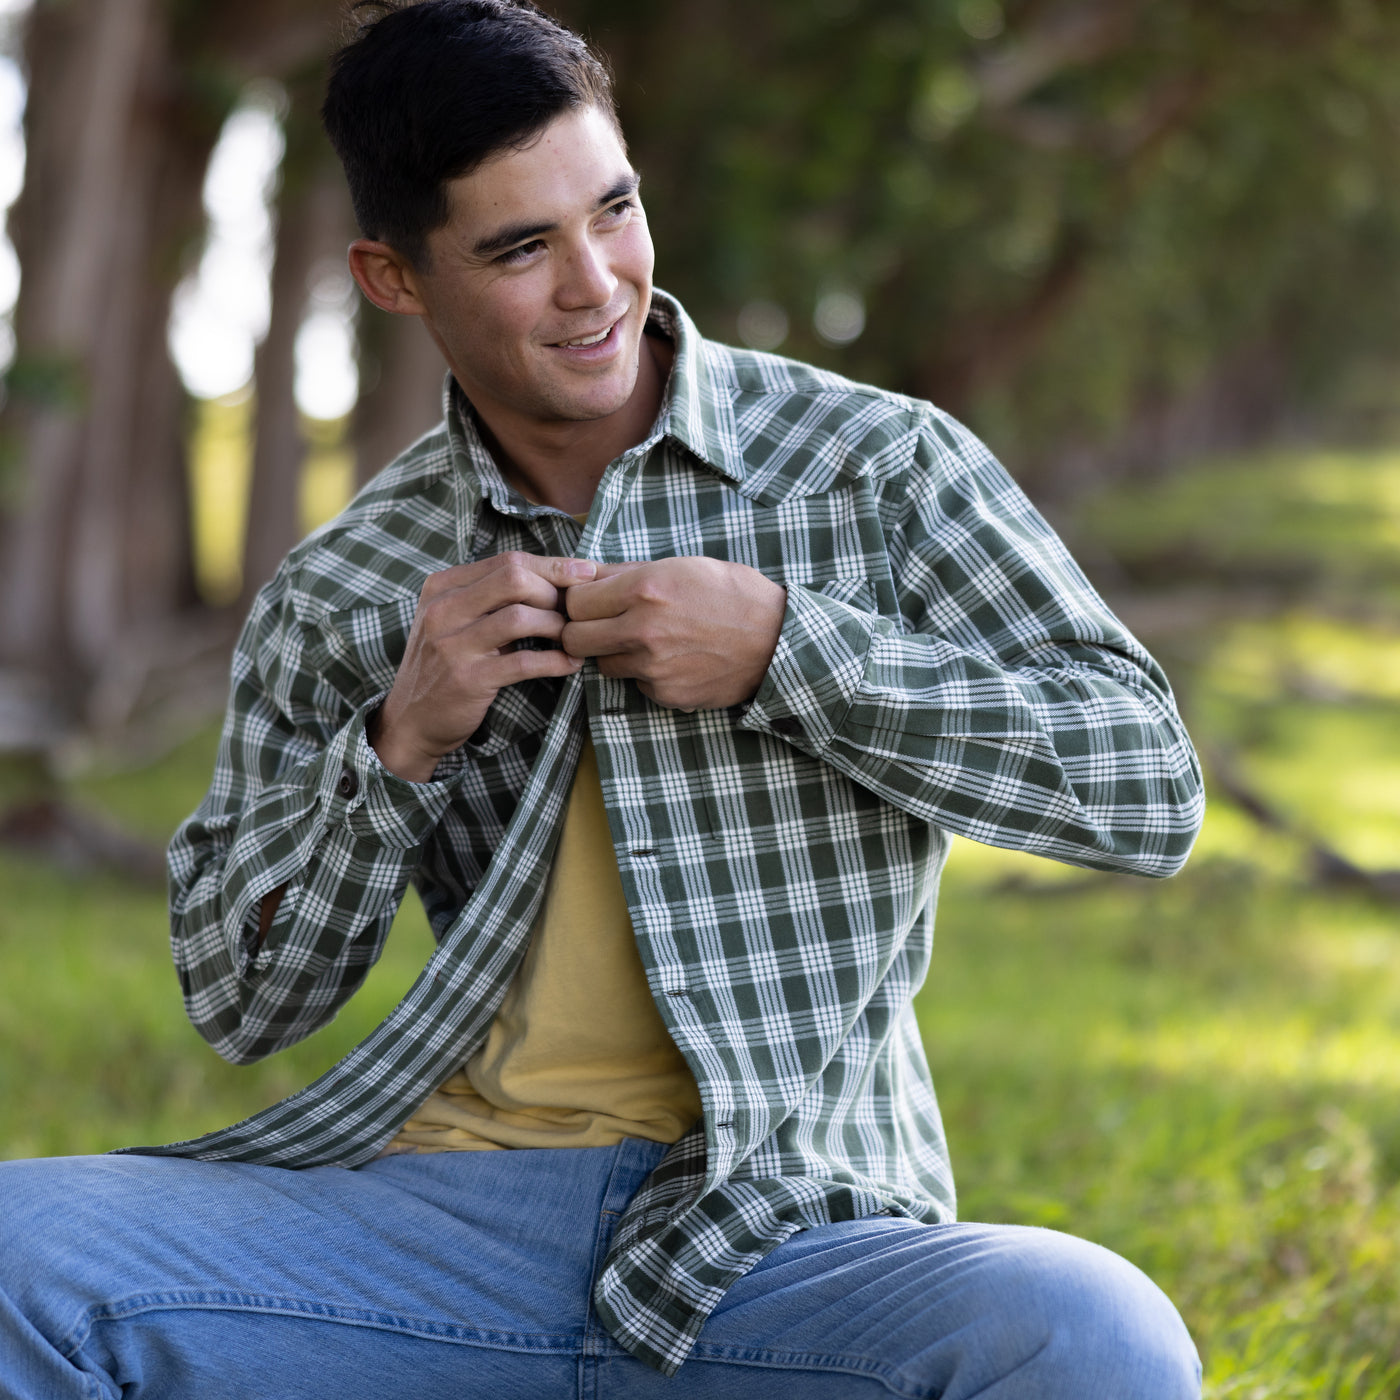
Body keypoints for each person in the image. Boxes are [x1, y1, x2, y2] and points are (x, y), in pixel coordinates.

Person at [0, 2, 1208, 1395]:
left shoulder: (877, 471)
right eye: (521, 249)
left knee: (1091, 1332)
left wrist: (791, 653)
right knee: (20, 1254)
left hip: (784, 1232)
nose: (597, 287)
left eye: (613, 211)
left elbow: (1151, 789)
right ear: (394, 279)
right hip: (435, 1239)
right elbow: (240, 997)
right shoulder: (351, 588)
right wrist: (399, 746)